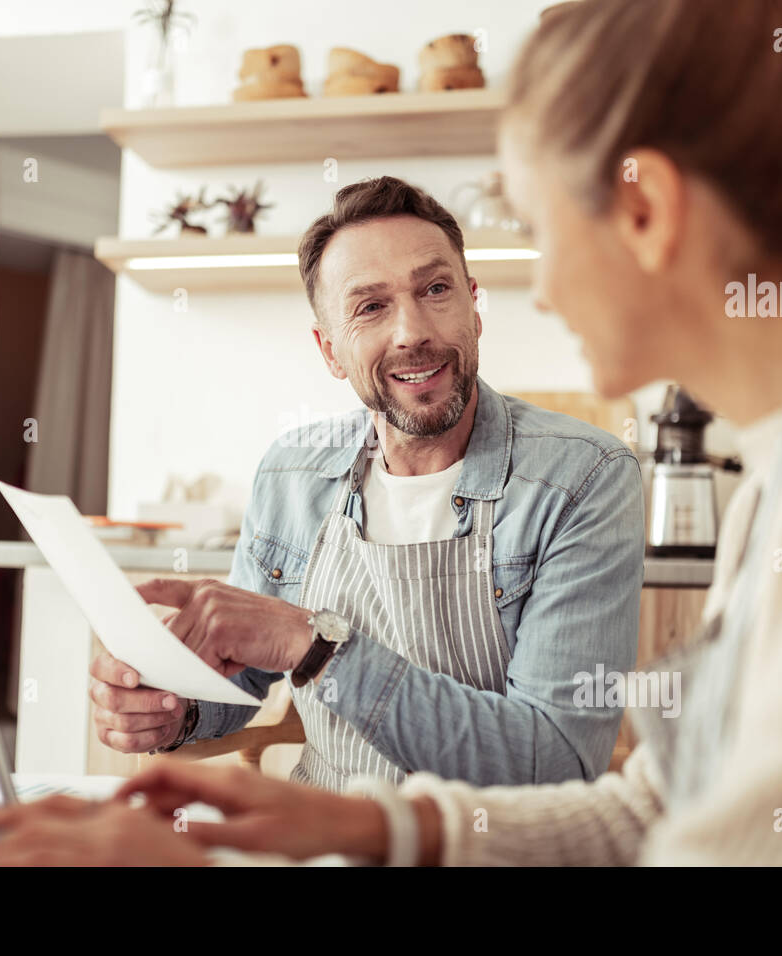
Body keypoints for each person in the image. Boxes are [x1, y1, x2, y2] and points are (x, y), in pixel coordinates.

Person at [0, 0, 782, 865]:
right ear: (329, 345)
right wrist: (353, 820)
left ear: (645, 213)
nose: (536, 286)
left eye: (538, 230)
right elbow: (657, 806)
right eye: (370, 306)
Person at [88, 175, 646, 790]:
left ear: (474, 308)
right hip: (318, 838)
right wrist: (172, 709)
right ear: (330, 351)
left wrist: (317, 647)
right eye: (370, 306)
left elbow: (555, 761)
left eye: (436, 289)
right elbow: (241, 682)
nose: (412, 331)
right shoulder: (293, 472)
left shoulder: (585, 478)